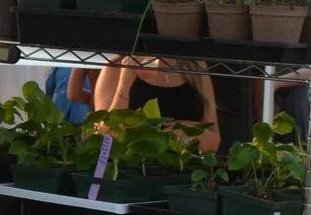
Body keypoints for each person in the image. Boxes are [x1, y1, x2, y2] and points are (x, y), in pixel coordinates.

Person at [92, 59, 220, 151]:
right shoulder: (116, 67)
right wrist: (124, 85)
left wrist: (187, 131)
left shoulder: (194, 65)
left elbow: (214, 138)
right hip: (132, 172)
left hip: (184, 174)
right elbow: (104, 139)